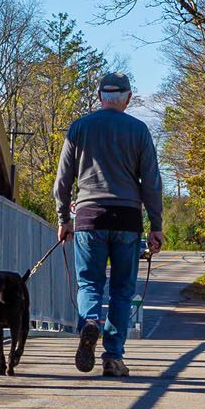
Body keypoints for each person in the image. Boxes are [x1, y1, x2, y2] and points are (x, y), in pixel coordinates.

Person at [52, 70, 163, 379]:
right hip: (127, 219)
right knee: (122, 291)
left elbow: (62, 182)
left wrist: (64, 220)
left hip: (89, 217)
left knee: (89, 283)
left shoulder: (79, 128)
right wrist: (156, 225)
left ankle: (90, 322)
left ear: (101, 97)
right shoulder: (139, 130)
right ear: (127, 98)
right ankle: (113, 357)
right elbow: (152, 182)